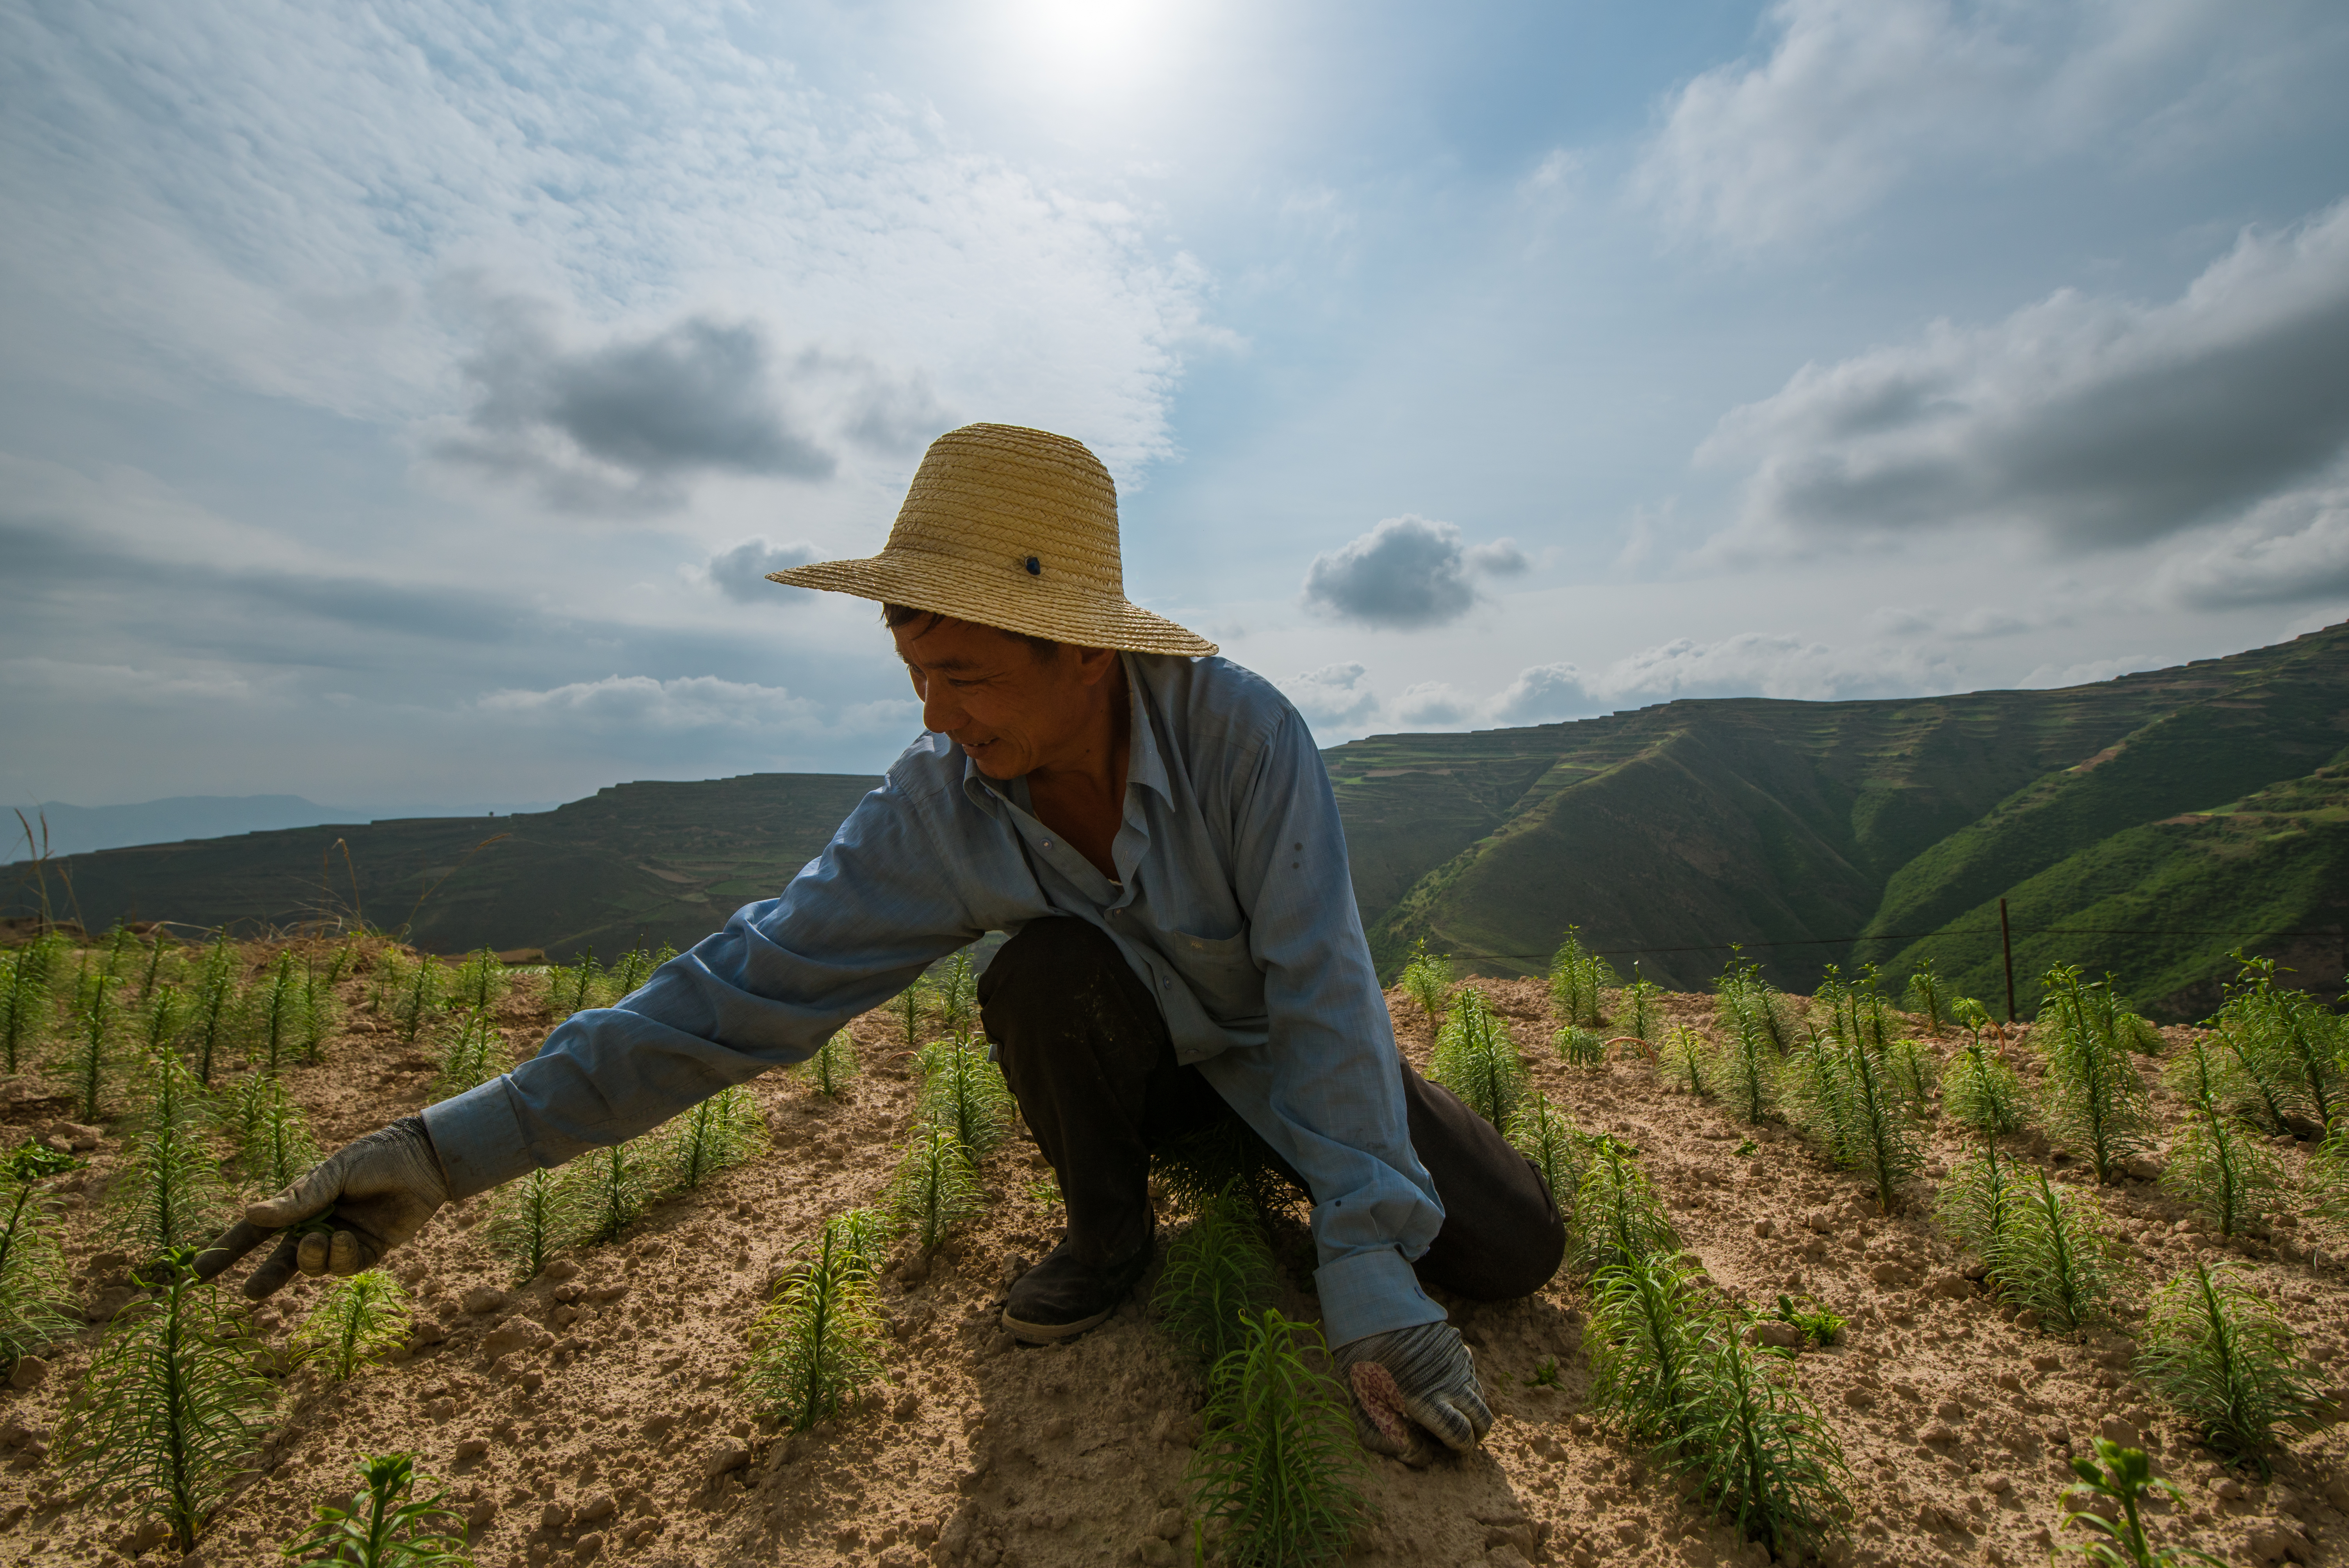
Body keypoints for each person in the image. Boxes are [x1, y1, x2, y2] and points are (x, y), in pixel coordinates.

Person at [198, 423, 1563, 1459]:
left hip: (1275, 1058)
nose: (933, 717)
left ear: (1080, 654)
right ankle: (1112, 1233)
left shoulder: (1239, 734)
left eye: (961, 675)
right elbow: (728, 995)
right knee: (1042, 974)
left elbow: (1323, 984)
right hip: (1132, 1079)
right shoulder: (936, 808)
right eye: (916, 676)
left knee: (1512, 1252)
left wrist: (1371, 1263)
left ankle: (1309, 1191)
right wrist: (443, 1154)